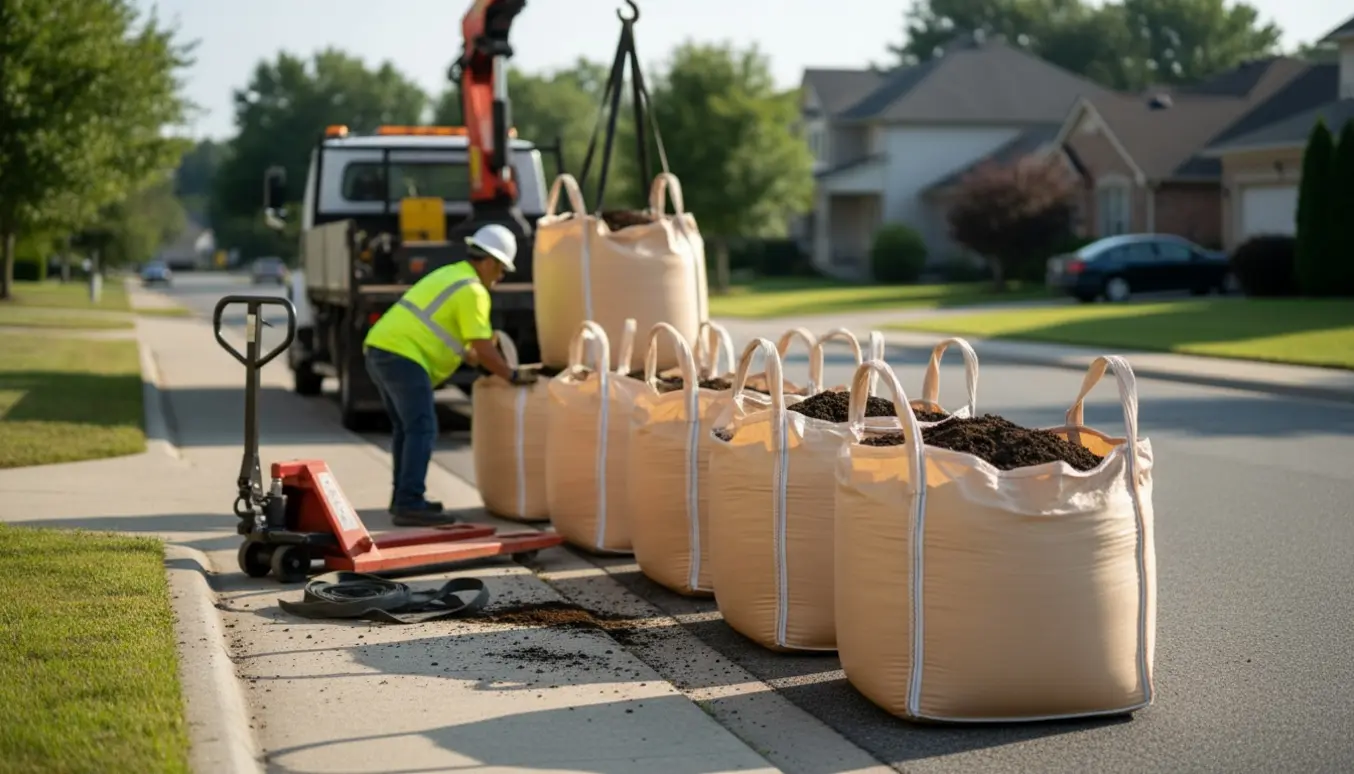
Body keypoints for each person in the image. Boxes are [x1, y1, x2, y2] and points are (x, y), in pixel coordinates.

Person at [363, 223, 538, 526]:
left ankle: (404, 497)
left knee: (407, 429)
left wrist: (480, 360)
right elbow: (483, 346)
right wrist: (510, 375)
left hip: (381, 349)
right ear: (490, 261)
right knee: (422, 427)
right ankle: (409, 502)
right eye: (501, 269)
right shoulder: (473, 291)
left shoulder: (453, 274)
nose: (501, 277)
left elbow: (466, 346)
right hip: (403, 355)